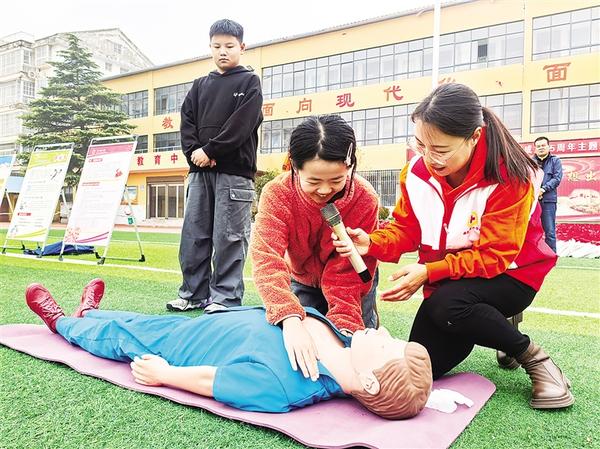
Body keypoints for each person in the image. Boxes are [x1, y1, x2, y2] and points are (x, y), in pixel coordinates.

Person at [334, 83, 573, 409]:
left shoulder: (510, 178)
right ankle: (493, 323)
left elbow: (495, 257)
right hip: (450, 283)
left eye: (440, 150)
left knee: (448, 305)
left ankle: (534, 358)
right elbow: (405, 229)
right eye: (420, 145)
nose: (429, 158)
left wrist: (428, 272)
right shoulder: (416, 174)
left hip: (511, 276)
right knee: (422, 364)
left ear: (474, 137)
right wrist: (371, 242)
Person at [24, 280, 432, 420]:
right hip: (210, 326)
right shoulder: (345, 339)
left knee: (120, 336)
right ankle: (90, 312)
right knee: (136, 319)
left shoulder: (287, 387)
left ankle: (62, 323)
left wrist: (165, 374)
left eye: (386, 346)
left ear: (369, 382)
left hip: (184, 349)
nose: (382, 333)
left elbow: (216, 381)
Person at [251, 115, 380, 382]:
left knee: (359, 348)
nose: (324, 190)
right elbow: (267, 258)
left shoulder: (365, 198)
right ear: (294, 166)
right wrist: (288, 316)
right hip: (303, 278)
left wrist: (346, 327)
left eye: (336, 180)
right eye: (313, 181)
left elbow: (347, 273)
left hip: (353, 278)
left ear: (350, 166)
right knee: (298, 343)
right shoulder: (277, 194)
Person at [167, 19, 263, 313]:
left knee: (230, 237)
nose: (223, 51)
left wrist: (210, 150)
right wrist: (194, 153)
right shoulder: (200, 85)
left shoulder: (249, 82)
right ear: (209, 47)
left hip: (234, 174)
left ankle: (225, 298)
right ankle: (193, 294)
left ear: (242, 47)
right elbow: (187, 123)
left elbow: (242, 124)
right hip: (199, 172)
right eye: (217, 46)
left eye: (229, 46)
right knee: (194, 236)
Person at [533, 136, 563, 253]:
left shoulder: (555, 161)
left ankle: (551, 257)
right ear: (535, 148)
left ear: (549, 147)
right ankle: (534, 257)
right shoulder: (530, 162)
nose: (541, 148)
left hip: (548, 201)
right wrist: (535, 192)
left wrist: (543, 190)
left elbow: (557, 179)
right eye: (538, 146)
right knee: (531, 231)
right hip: (533, 201)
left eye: (543, 145)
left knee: (549, 231)